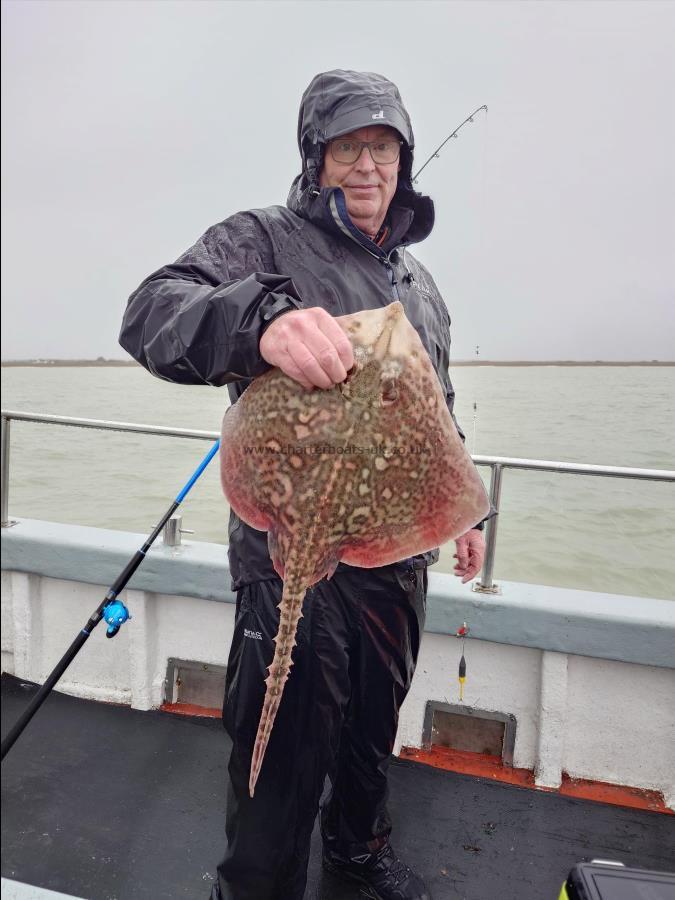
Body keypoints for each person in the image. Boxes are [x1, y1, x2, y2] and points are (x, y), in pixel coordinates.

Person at [120, 69, 487, 900]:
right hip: (292, 544)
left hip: (395, 550)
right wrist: (262, 322)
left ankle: (357, 854)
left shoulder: (418, 286)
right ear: (315, 157)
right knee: (282, 738)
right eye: (348, 146)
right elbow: (151, 311)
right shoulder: (264, 240)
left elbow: (436, 409)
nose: (368, 165)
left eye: (384, 147)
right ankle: (256, 887)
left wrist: (464, 507)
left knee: (369, 725)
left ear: (405, 160)